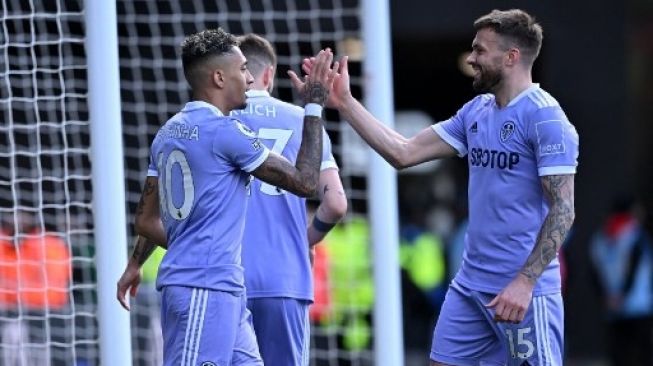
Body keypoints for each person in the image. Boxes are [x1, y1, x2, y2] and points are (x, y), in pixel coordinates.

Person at [295, 9, 578, 365]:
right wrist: (346, 104)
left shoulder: (546, 119)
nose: (472, 58)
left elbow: (564, 210)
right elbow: (403, 152)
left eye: (480, 50)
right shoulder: (476, 111)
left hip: (524, 291)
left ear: (511, 57)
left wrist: (525, 282)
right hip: (470, 286)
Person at [116, 28, 338, 365]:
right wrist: (313, 108)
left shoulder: (168, 131)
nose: (249, 79)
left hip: (225, 287)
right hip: (203, 288)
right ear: (219, 77)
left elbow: (146, 220)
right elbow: (307, 184)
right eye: (242, 70)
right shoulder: (225, 132)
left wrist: (137, 262)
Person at [233, 33, 348, 366]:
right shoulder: (303, 120)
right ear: (268, 75)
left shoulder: (218, 120)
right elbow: (336, 203)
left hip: (226, 279)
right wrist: (305, 240)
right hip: (284, 279)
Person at [590, 196, 653, 366]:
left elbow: (595, 273)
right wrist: (623, 295)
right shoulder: (635, 235)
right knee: (641, 353)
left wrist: (605, 297)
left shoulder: (600, 237)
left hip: (612, 306)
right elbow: (635, 268)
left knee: (619, 353)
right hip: (638, 305)